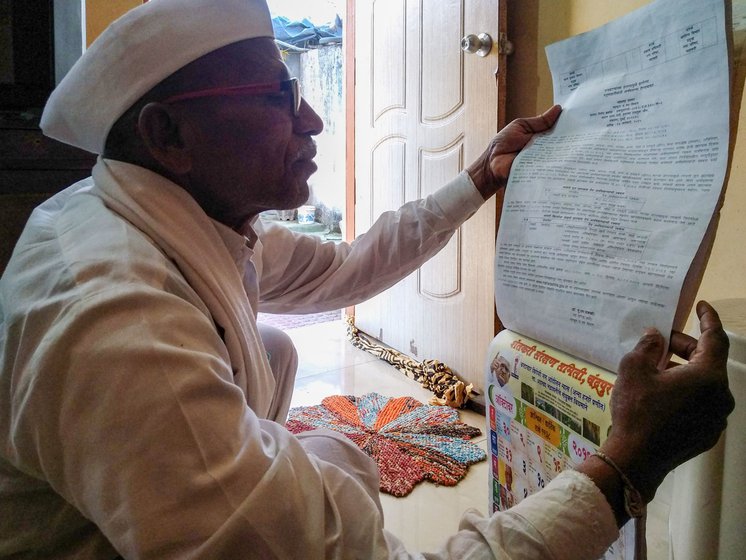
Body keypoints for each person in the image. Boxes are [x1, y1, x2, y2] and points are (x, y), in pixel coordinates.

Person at [0, 0, 734, 558]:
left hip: (139, 499)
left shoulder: (182, 217)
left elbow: (348, 268)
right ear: (169, 136)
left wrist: (479, 179)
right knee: (335, 467)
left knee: (276, 352)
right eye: (279, 99)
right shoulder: (123, 328)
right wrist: (623, 468)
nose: (314, 120)